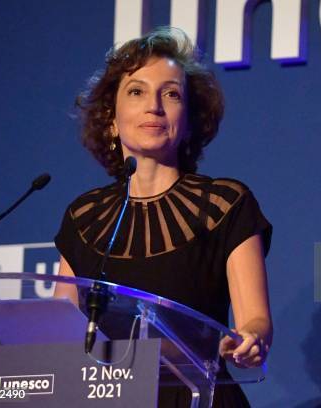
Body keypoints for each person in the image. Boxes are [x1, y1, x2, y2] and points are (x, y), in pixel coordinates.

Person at [53, 27, 272, 407]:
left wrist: (249, 339)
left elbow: (255, 321)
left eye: (170, 94)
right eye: (136, 91)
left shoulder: (223, 204)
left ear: (188, 121)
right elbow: (59, 329)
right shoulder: (84, 218)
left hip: (197, 397)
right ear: (111, 117)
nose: (154, 105)